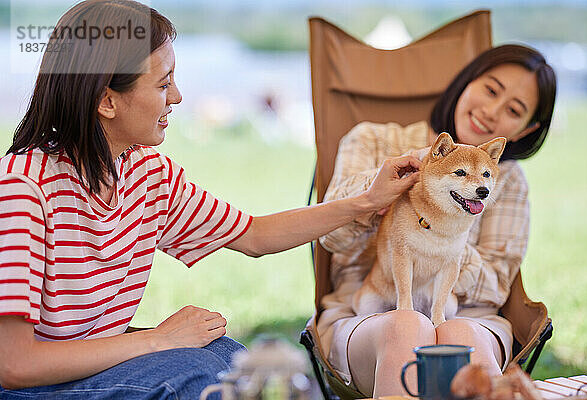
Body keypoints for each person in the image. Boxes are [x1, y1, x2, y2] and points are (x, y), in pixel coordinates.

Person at [0, 1, 422, 398]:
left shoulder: (146, 172)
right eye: (163, 83)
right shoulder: (23, 191)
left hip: (94, 366)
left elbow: (254, 235)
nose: (178, 96)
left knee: (233, 359)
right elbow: (14, 365)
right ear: (106, 101)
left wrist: (367, 201)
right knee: (198, 377)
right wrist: (158, 340)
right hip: (28, 387)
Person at [316, 44, 556, 397]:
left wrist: (443, 237)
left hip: (470, 315)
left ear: (525, 129)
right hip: (366, 309)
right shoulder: (373, 139)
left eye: (513, 110)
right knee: (406, 325)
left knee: (460, 334)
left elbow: (496, 283)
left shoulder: (507, 181)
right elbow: (330, 236)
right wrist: (384, 199)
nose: (491, 112)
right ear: (466, 82)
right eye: (490, 90)